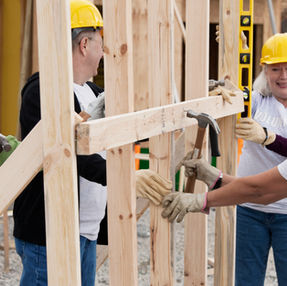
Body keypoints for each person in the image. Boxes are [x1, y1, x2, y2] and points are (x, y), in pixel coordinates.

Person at [14, 1, 172, 286]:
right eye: (101, 43)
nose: (104, 52)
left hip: (86, 231)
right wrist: (126, 177)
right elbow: (72, 154)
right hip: (50, 234)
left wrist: (166, 120)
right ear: (85, 44)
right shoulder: (42, 92)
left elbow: (122, 130)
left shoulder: (94, 92)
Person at [162, 33, 287, 286]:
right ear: (265, 70)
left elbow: (261, 188)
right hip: (248, 209)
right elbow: (234, 97)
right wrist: (233, 56)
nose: (282, 75)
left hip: (283, 209)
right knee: (246, 281)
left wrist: (268, 138)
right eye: (275, 68)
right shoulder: (258, 101)